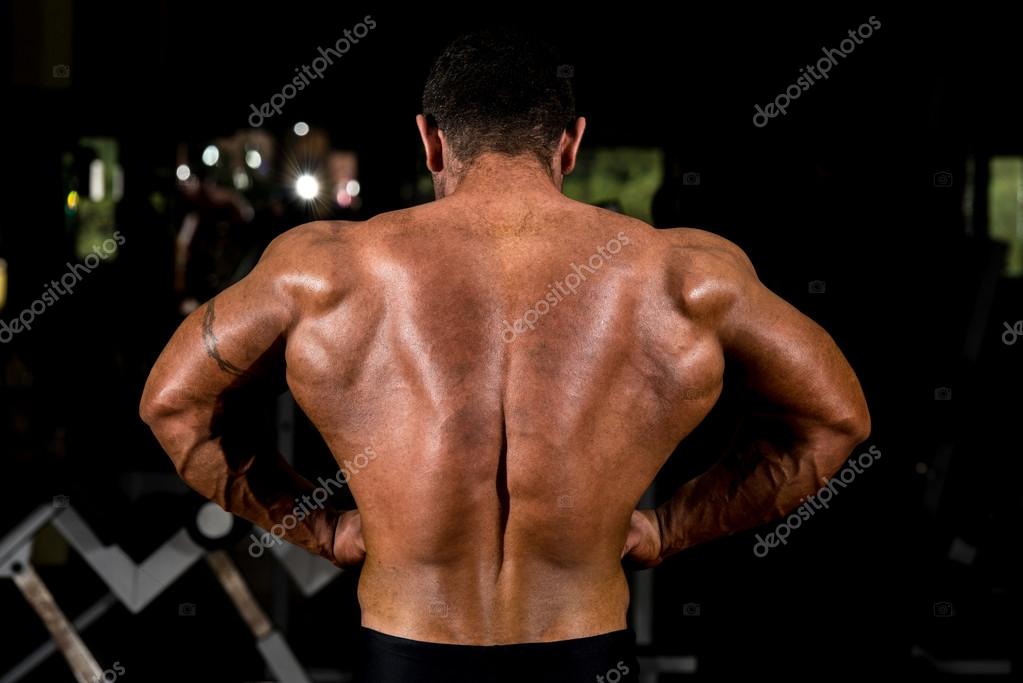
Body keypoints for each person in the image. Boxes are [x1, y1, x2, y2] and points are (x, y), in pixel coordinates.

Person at [140, 30, 870, 683]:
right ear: (570, 144)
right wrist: (673, 527)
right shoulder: (684, 275)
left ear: (430, 140)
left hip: (406, 648)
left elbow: (173, 406)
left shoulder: (322, 269)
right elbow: (836, 421)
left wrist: (321, 527)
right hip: (584, 647)